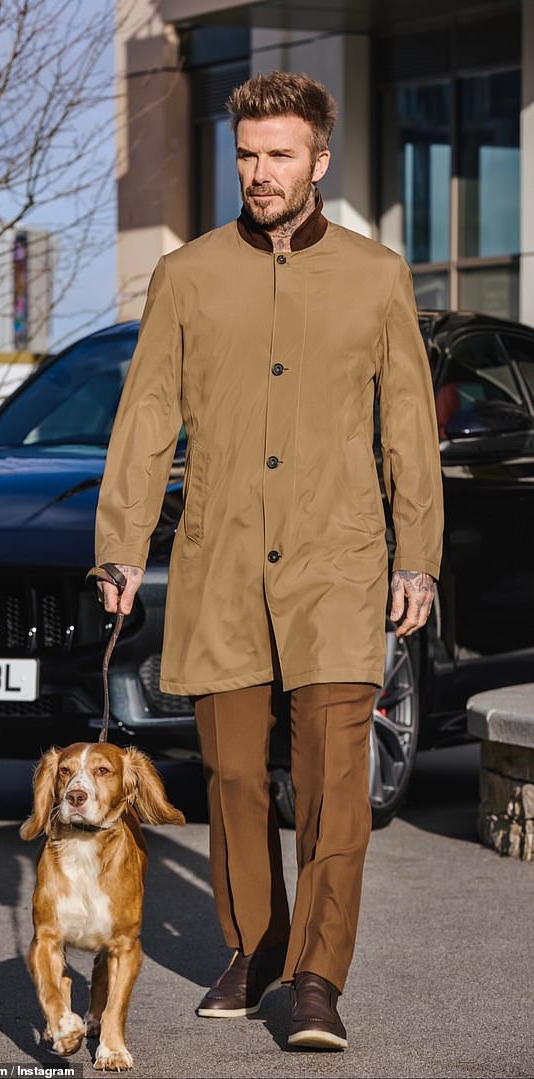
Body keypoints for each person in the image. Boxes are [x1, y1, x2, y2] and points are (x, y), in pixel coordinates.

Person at [90, 71, 443, 1051]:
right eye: (246, 154)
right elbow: (147, 415)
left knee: (332, 780)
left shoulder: (375, 277)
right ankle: (255, 943)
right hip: (222, 563)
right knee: (233, 773)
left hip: (337, 561)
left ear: (319, 161)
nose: (259, 172)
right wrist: (119, 544)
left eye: (279, 154)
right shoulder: (190, 275)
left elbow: (409, 425)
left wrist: (417, 556)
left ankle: (317, 977)